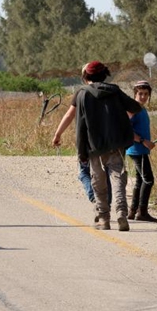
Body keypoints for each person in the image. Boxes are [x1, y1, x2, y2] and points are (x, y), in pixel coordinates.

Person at [68, 61, 142, 231]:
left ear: (86, 76)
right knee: (118, 179)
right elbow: (135, 107)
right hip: (116, 144)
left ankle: (103, 219)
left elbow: (80, 126)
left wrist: (81, 151)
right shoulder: (114, 91)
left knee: (98, 181)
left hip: (94, 146)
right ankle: (122, 213)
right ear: (104, 74)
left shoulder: (82, 94)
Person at [53, 63, 111, 210]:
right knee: (106, 172)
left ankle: (93, 197)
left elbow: (69, 115)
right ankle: (106, 203)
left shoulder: (82, 93)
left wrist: (58, 134)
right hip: (108, 140)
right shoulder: (110, 91)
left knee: (84, 172)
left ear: (85, 76)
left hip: (87, 143)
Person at [125, 81, 157, 222]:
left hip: (140, 149)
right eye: (140, 94)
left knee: (140, 180)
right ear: (135, 94)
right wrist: (143, 141)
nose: (143, 96)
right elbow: (126, 129)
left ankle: (133, 211)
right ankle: (142, 212)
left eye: (146, 94)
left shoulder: (142, 108)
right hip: (137, 149)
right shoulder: (133, 109)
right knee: (148, 179)